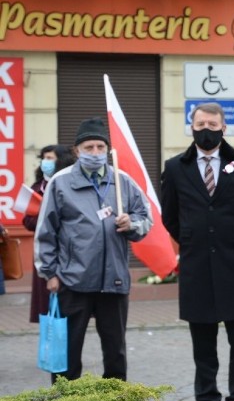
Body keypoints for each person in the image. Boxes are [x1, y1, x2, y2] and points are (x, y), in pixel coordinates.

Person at [161, 102, 234, 401]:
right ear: (191, 126)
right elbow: (170, 217)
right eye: (201, 122)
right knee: (202, 340)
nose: (207, 128)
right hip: (196, 265)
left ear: (224, 126)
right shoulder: (176, 166)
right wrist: (193, 240)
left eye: (213, 122)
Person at [34, 118, 152, 382]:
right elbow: (46, 231)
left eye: (100, 147)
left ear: (108, 150)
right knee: (67, 356)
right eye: (89, 147)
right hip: (73, 281)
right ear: (77, 150)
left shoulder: (122, 181)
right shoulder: (60, 182)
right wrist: (49, 273)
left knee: (115, 353)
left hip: (114, 281)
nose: (96, 153)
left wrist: (130, 223)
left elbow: (147, 219)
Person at [25, 145, 76, 323]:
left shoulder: (71, 183)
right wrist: (45, 214)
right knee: (47, 297)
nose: (45, 162)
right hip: (45, 248)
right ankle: (52, 330)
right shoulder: (37, 187)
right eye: (44, 158)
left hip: (69, 249)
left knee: (71, 300)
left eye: (50, 158)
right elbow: (28, 222)